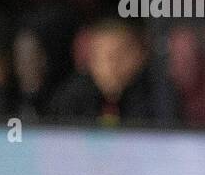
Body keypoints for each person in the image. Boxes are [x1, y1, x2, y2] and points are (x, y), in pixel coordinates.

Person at [49, 19, 181, 126]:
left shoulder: (159, 96)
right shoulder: (71, 97)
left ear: (139, 56)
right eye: (100, 56)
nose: (110, 64)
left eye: (119, 55)